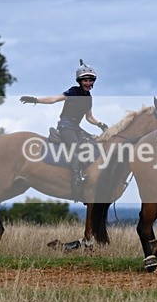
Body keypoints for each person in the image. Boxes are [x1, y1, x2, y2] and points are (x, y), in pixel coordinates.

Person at [20, 60, 108, 201]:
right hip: (65, 127)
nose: (88, 83)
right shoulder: (72, 92)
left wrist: (100, 124)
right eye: (85, 80)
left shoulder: (88, 98)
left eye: (90, 80)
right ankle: (77, 179)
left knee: (93, 145)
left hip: (77, 128)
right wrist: (35, 100)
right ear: (80, 81)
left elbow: (89, 117)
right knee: (77, 151)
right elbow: (53, 99)